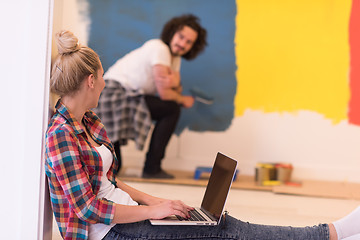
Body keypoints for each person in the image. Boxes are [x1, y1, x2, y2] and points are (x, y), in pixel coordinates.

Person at [46, 30, 357, 240]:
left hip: (124, 216)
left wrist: (157, 202)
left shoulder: (87, 121)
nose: (104, 83)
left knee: (214, 224)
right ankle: (331, 233)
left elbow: (108, 183)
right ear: (89, 81)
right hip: (107, 232)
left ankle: (330, 233)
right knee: (224, 230)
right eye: (101, 78)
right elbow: (88, 208)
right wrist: (153, 211)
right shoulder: (61, 135)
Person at [94, 14, 208, 179]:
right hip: (113, 95)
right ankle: (152, 168)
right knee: (172, 108)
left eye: (188, 42)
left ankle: (152, 168)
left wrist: (174, 85)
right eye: (181, 37)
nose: (182, 44)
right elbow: (165, 93)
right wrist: (182, 98)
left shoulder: (174, 59)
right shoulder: (159, 47)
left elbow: (174, 88)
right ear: (172, 33)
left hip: (129, 95)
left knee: (114, 169)